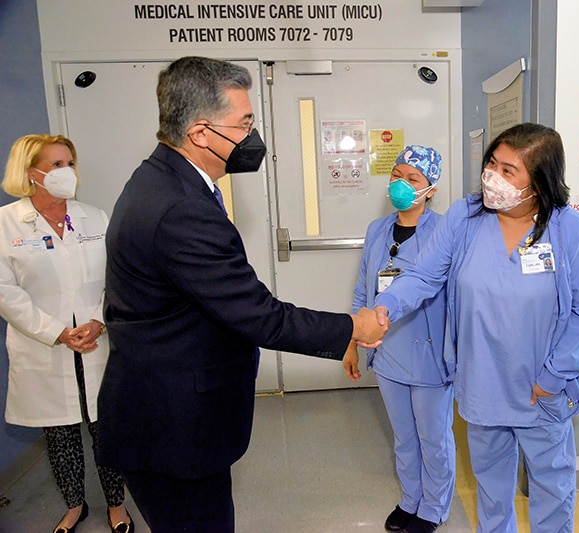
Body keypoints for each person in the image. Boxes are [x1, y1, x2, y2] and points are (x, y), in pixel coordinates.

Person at [96, 56, 386, 533]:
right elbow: (258, 315)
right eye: (245, 123)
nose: (253, 136)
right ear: (202, 132)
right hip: (173, 426)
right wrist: (352, 326)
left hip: (166, 411)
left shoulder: (166, 180)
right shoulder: (180, 208)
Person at [374, 123, 579, 532]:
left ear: (539, 181)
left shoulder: (567, 229)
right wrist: (386, 306)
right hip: (482, 380)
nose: (492, 178)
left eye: (508, 170)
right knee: (491, 487)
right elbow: (424, 275)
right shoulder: (465, 217)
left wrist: (555, 375)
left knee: (552, 487)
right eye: (491, 165)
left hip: (540, 387)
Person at [0, 134, 133, 533]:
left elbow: (118, 276)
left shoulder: (95, 217)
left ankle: (116, 505)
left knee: (106, 427)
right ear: (30, 173)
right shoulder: (6, 223)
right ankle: (74, 506)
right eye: (56, 165)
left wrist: (98, 319)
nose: (66, 172)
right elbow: (5, 291)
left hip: (96, 341)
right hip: (44, 346)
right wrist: (57, 332)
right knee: (59, 436)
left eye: (69, 163)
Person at [344, 145, 454, 533]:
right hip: (386, 353)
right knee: (404, 437)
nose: (401, 184)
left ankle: (434, 508)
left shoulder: (443, 231)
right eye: (396, 174)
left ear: (431, 188)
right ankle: (410, 500)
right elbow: (363, 292)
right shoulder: (377, 230)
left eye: (413, 179)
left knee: (434, 439)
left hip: (429, 356)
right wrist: (352, 343)